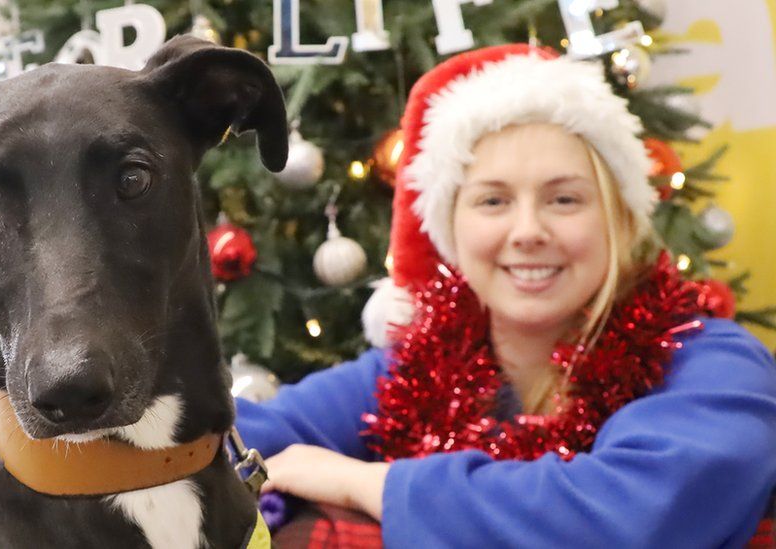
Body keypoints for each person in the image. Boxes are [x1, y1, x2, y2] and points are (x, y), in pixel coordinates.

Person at [234, 44, 776, 547]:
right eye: (492, 201)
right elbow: (228, 440)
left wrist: (365, 484)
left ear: (622, 220)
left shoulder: (715, 364)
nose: (527, 231)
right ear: (451, 230)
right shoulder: (414, 370)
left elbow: (632, 514)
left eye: (564, 199)